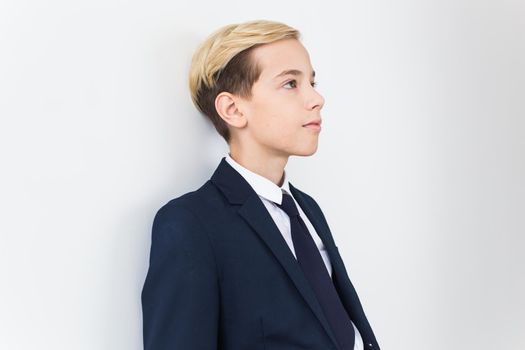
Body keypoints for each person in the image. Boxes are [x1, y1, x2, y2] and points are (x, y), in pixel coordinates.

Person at [141, 19, 381, 350]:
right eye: (290, 84)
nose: (317, 98)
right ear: (233, 109)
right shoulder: (191, 223)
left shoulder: (307, 209)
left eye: (312, 82)